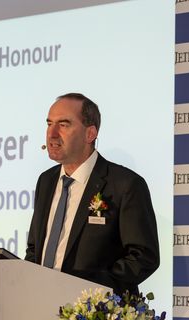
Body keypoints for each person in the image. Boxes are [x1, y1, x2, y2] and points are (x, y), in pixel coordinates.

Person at [25, 93, 159, 295]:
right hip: (41, 304)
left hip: (92, 315)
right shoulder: (46, 180)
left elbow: (143, 257)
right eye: (49, 124)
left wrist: (91, 290)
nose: (51, 134)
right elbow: (35, 249)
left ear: (90, 134)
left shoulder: (125, 184)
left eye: (63, 124)